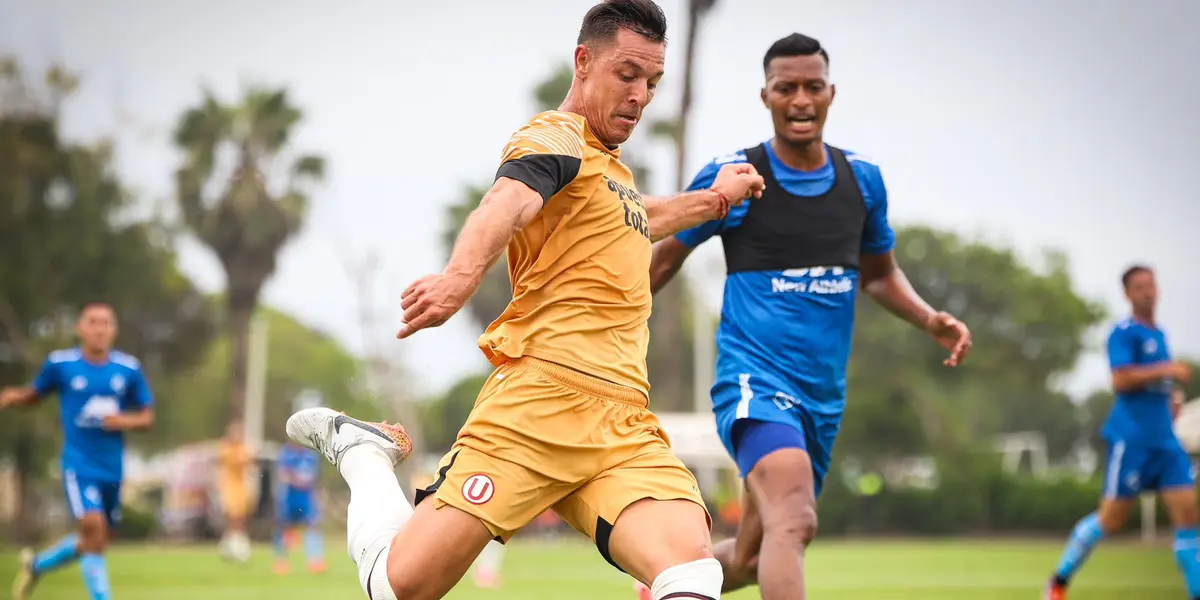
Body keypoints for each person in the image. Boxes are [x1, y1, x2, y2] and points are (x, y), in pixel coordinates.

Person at [284, 2, 766, 599]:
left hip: (620, 420)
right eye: (627, 74)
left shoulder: (611, 171)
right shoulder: (553, 136)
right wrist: (459, 278)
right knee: (396, 589)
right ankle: (361, 451)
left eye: (653, 82)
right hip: (538, 404)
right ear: (583, 62)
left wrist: (715, 201)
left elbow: (641, 218)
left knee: (693, 573)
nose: (641, 95)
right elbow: (507, 202)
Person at [640, 33, 972, 600]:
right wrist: (594, 321)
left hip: (821, 398)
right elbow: (661, 261)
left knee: (748, 558)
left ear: (831, 93)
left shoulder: (861, 180)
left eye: (812, 87)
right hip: (754, 383)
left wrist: (928, 319)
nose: (800, 100)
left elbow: (877, 273)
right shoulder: (734, 176)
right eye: (785, 88)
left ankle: (663, 591)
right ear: (765, 97)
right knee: (795, 521)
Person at [1044, 265, 1197, 600]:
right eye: (1139, 286)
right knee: (1110, 519)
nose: (1148, 291)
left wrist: (1168, 398)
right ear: (1127, 294)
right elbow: (1121, 379)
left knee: (1189, 517)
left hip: (1166, 441)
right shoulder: (1123, 332)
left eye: (1151, 284)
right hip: (1132, 440)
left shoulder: (1160, 333)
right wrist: (1166, 369)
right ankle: (1058, 581)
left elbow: (1153, 384)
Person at [3, 301, 155, 600]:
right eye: (93, 322)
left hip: (113, 465)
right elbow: (35, 394)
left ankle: (37, 565)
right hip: (79, 462)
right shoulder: (61, 365)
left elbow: (148, 417)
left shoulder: (128, 369)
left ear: (114, 329)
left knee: (98, 539)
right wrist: (12, 397)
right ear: (80, 328)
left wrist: (124, 420)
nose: (99, 329)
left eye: (106, 323)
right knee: (91, 526)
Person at [273, 441, 326, 574]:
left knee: (313, 526)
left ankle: (315, 561)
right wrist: (293, 479)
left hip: (306, 497)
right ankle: (281, 561)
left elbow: (316, 476)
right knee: (285, 527)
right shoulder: (286, 453)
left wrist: (319, 494)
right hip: (290, 497)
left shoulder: (311, 455)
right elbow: (282, 474)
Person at [216, 419, 255, 562]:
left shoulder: (244, 448)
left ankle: (233, 543)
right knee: (233, 517)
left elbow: (249, 463)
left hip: (242, 486)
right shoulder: (225, 448)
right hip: (229, 486)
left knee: (242, 517)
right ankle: (234, 545)